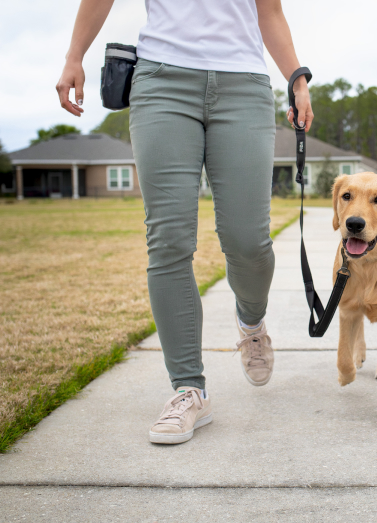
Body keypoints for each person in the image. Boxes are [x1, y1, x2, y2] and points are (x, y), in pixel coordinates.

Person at [57, 0, 314, 445]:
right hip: (161, 82)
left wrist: (297, 78)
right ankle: (188, 390)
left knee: (249, 240)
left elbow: (269, 11)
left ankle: (251, 324)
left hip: (244, 85)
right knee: (169, 241)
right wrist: (74, 55)